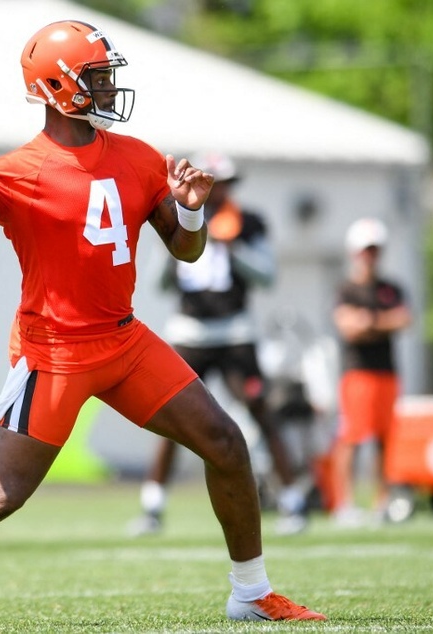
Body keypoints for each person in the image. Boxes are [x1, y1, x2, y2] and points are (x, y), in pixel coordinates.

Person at [0, 20, 325, 629]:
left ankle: (250, 592)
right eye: (96, 77)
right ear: (57, 87)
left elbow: (185, 251)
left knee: (226, 443)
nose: (109, 87)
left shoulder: (137, 157)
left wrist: (191, 211)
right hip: (54, 351)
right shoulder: (19, 171)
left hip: (124, 338)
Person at [128, 152, 309, 538]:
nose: (217, 190)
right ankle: (152, 507)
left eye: (224, 183)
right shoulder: (176, 214)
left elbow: (267, 276)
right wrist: (177, 241)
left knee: (261, 410)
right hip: (190, 332)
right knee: (170, 419)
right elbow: (157, 284)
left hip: (235, 334)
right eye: (213, 181)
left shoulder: (248, 223)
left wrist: (231, 247)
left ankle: (293, 502)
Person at [330, 217, 411, 526]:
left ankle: (382, 501)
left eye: (375, 250)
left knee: (384, 438)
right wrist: (382, 322)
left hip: (387, 372)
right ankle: (345, 504)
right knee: (351, 436)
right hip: (357, 373)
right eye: (366, 250)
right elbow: (348, 327)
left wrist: (370, 322)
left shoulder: (391, 289)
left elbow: (404, 320)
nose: (370, 256)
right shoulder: (347, 289)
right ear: (355, 253)